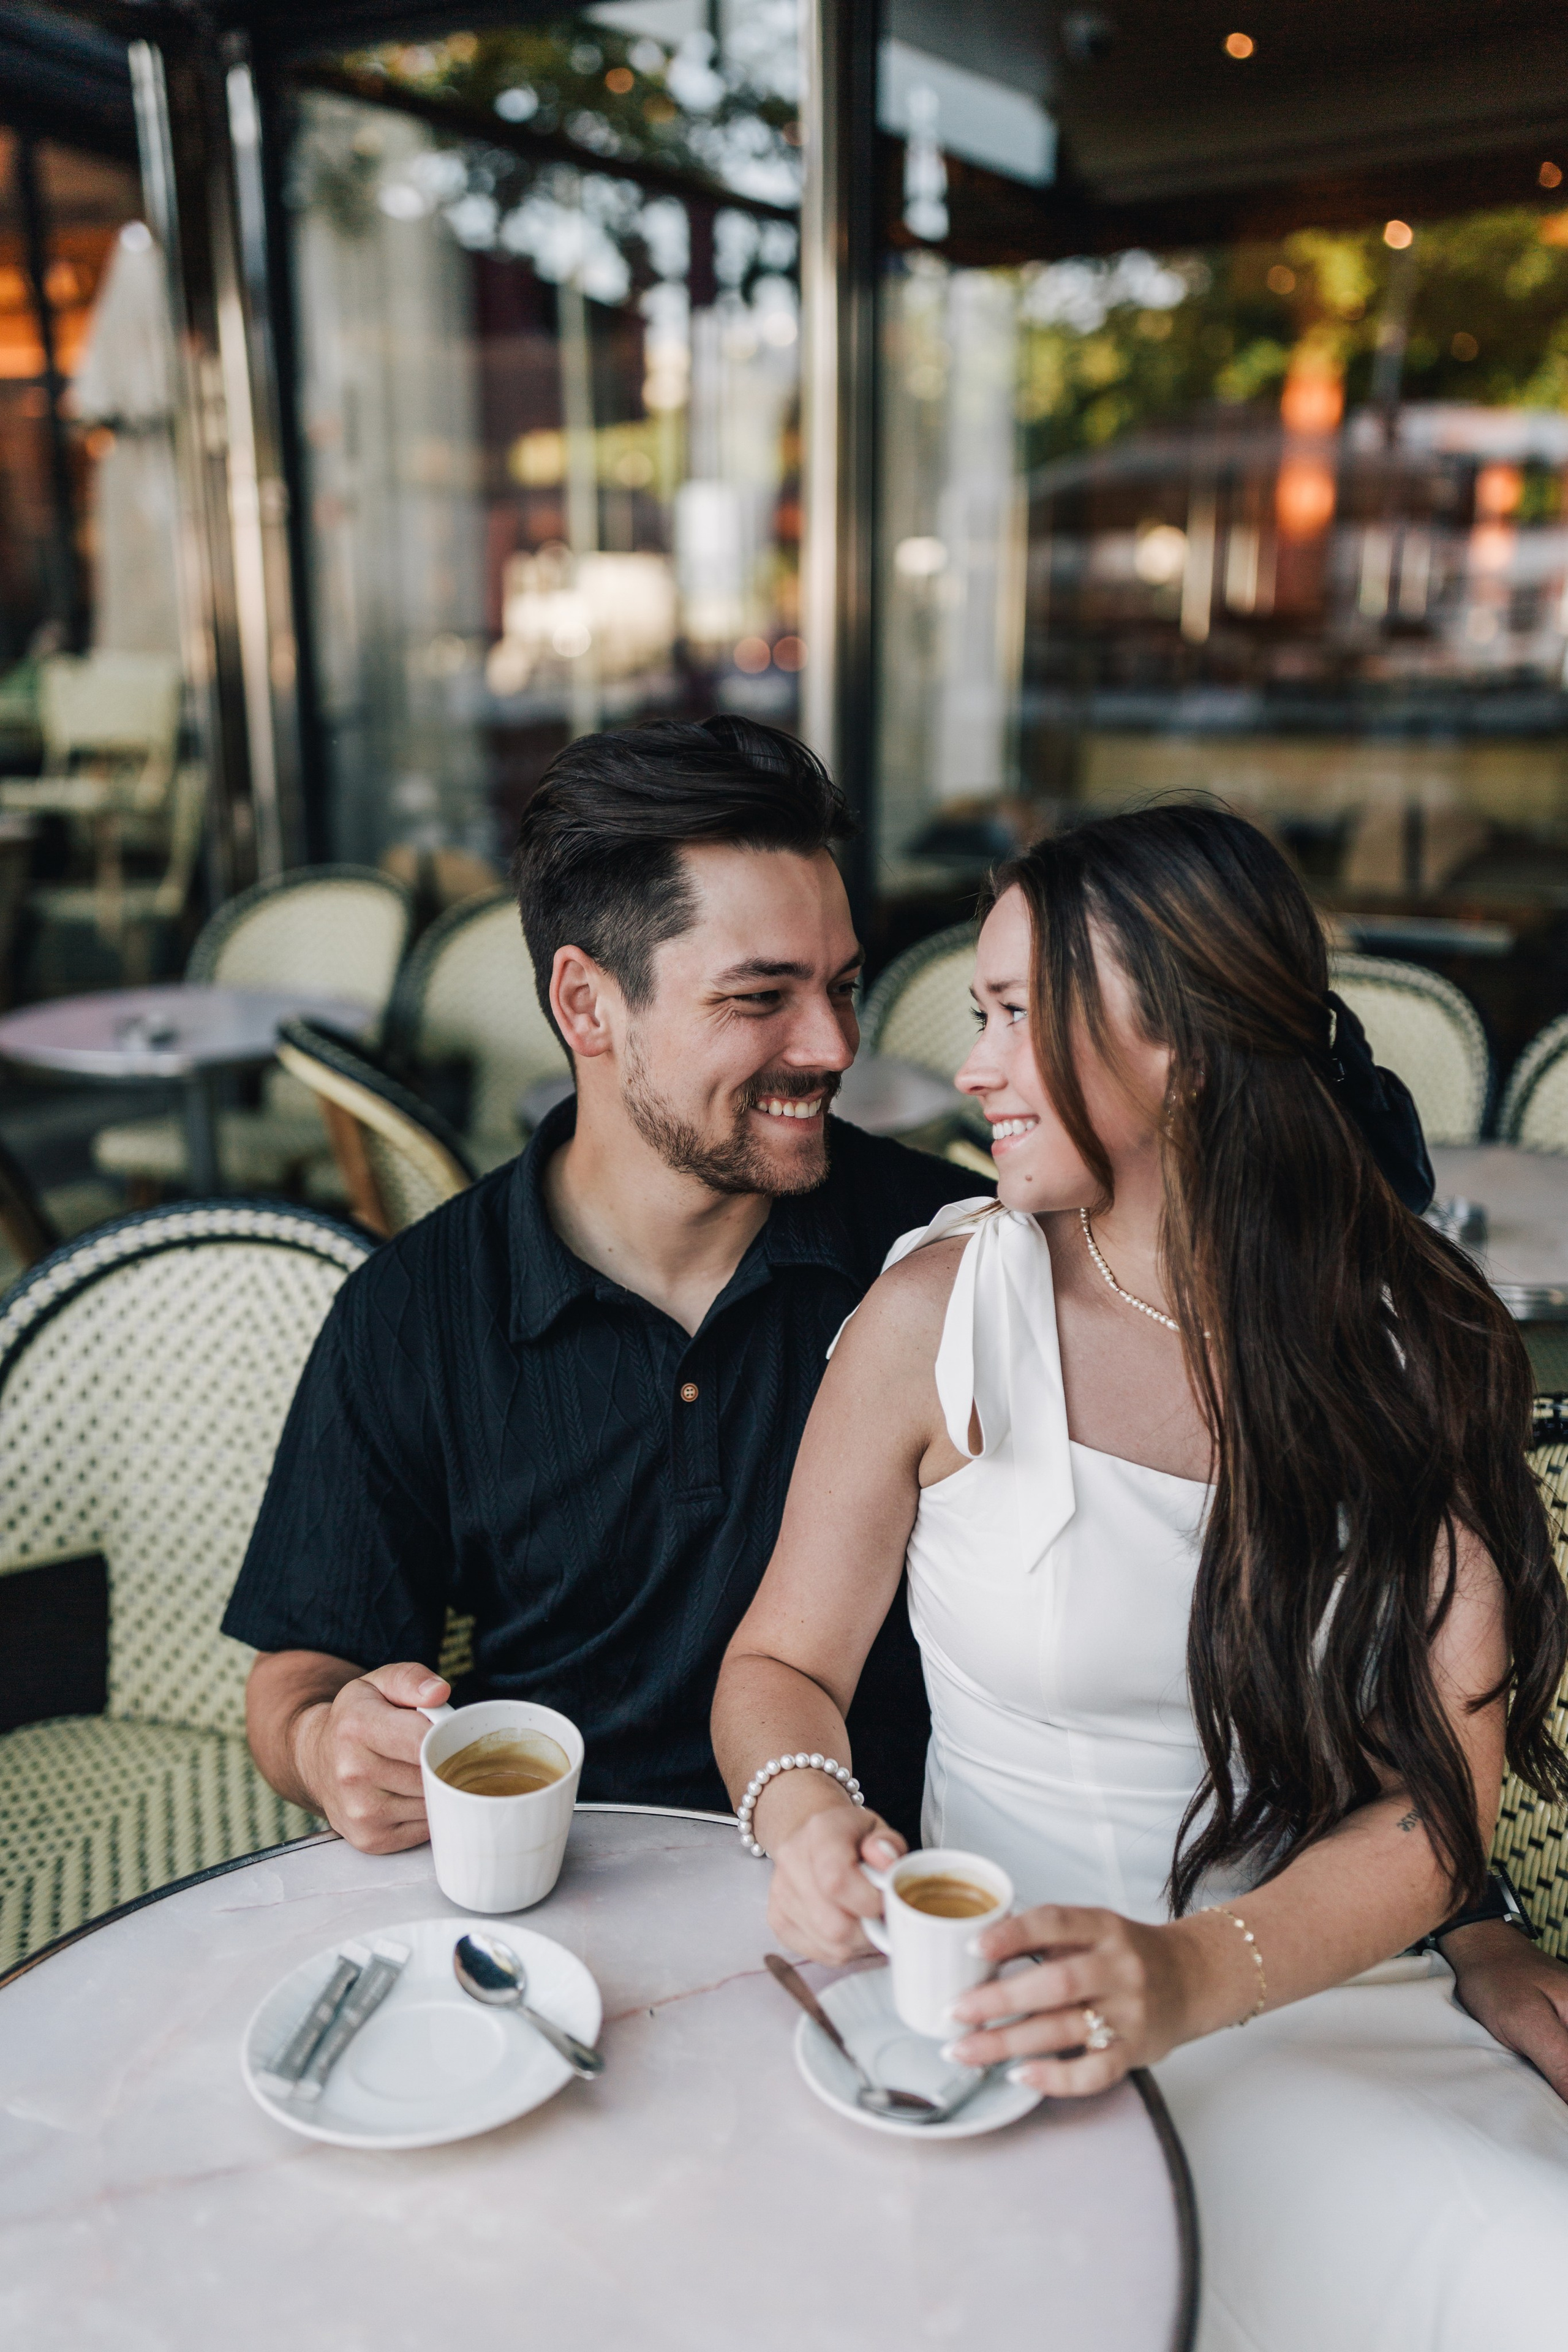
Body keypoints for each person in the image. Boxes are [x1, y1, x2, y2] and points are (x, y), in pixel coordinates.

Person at [712, 804, 1568, 2348]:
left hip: (1305, 1997)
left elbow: (1432, 1809)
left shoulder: (1406, 1345)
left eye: (1011, 1016)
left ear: (1177, 1039)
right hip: (997, 2018)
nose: (968, 1069)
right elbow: (782, 1669)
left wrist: (1188, 1974)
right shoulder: (939, 1315)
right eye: (977, 1018)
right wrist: (806, 1810)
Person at [222, 716, 985, 1852]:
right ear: (586, 1005)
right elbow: (300, 1670)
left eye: (841, 986)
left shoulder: (944, 1250)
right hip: (560, 1884)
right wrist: (330, 1741)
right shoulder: (414, 1311)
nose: (831, 1045)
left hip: (875, 1882)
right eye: (759, 997)